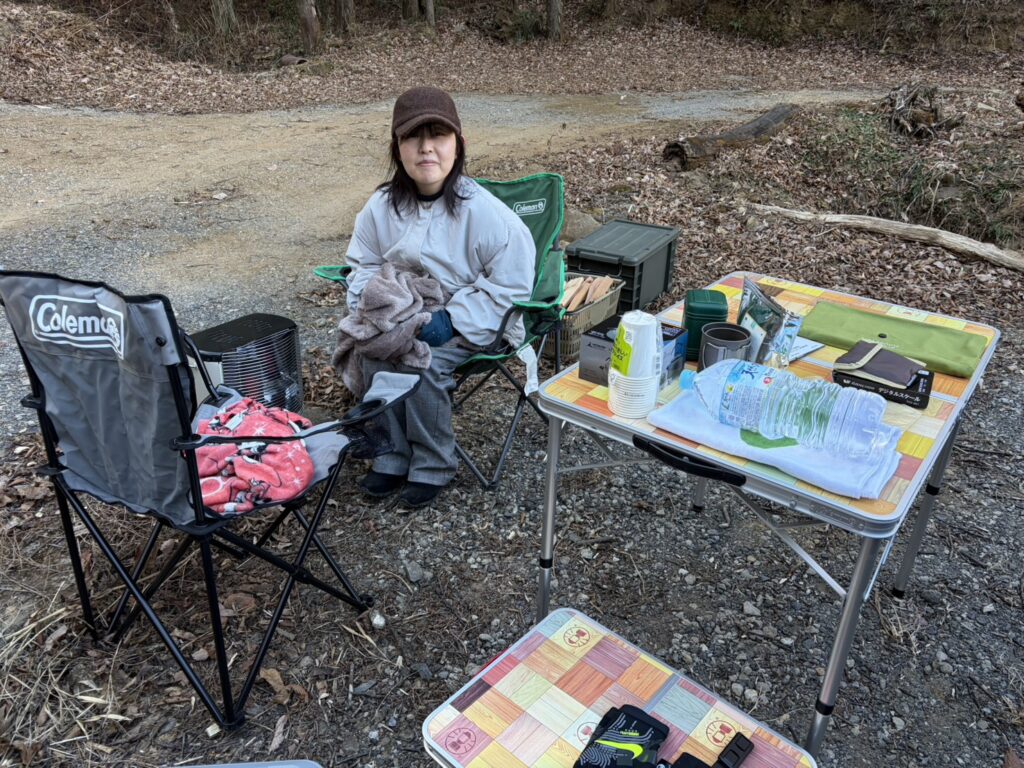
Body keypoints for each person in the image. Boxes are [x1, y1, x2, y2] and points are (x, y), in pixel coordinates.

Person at [345, 86, 536, 508]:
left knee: (423, 363)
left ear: (458, 145)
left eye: (438, 135)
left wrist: (450, 320)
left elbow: (511, 287)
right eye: (413, 136)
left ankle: (432, 465)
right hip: (398, 310)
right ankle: (391, 455)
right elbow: (363, 264)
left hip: (474, 321)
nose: (426, 147)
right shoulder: (380, 206)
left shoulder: (488, 215)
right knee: (374, 352)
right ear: (397, 147)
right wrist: (379, 306)